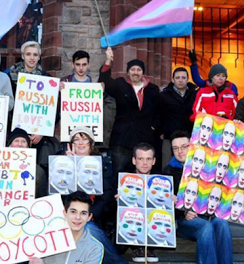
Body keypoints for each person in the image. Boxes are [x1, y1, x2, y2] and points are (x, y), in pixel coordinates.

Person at [163, 130, 233, 264]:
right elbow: (165, 206)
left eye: (184, 146)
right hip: (184, 221)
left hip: (209, 216)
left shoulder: (207, 165)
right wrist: (181, 209)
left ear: (192, 145)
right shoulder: (168, 171)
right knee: (206, 227)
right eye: (175, 148)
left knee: (222, 224)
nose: (180, 151)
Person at [65, 126, 128, 264]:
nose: (80, 143)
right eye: (76, 140)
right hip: (66, 217)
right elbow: (57, 195)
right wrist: (70, 166)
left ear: (91, 144)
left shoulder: (102, 165)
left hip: (92, 217)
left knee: (88, 231)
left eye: (84, 139)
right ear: (71, 145)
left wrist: (90, 214)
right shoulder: (60, 163)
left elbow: (107, 196)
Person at [98, 47, 160, 186]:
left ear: (143, 72)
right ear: (128, 72)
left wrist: (154, 127)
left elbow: (159, 111)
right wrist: (108, 60)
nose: (135, 72)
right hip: (122, 139)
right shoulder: (120, 84)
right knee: (119, 175)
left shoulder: (153, 89)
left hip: (145, 139)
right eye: (132, 70)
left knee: (145, 175)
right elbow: (104, 80)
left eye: (138, 70)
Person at [29, 191, 104, 264]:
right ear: (65, 213)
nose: (78, 217)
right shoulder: (47, 239)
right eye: (73, 212)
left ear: (89, 217)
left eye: (83, 213)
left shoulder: (95, 248)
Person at [158, 67, 197, 167]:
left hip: (190, 137)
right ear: (173, 79)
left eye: (183, 78)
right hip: (169, 136)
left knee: (190, 167)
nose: (180, 80)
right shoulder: (164, 95)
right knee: (167, 166)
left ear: (187, 79)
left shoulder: (195, 94)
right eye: (178, 77)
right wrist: (162, 131)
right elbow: (159, 114)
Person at [7, 128, 47, 198]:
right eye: (16, 141)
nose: (20, 144)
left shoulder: (38, 171)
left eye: (23, 141)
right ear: (9, 145)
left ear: (28, 147)